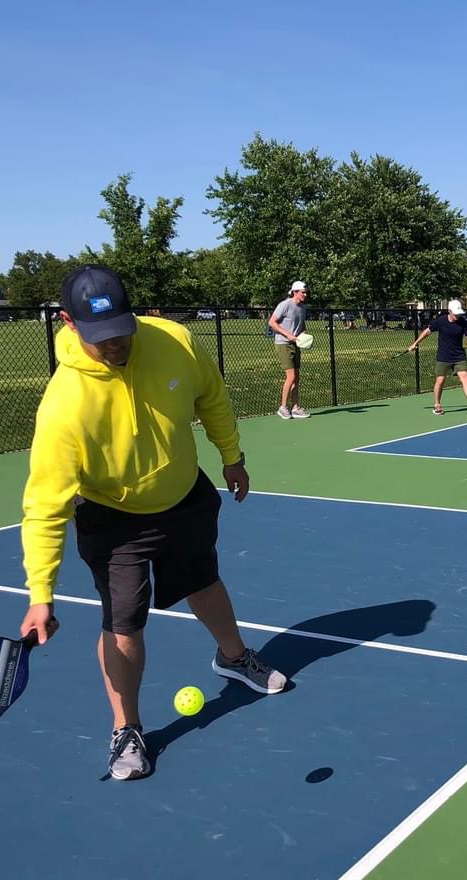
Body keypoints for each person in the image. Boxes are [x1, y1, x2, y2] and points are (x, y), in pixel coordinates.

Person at [19, 264, 287, 781]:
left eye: (121, 329)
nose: (115, 343)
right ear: (70, 325)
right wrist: (40, 592)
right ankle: (127, 728)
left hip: (185, 495)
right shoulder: (64, 408)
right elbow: (45, 507)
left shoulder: (174, 339)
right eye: (100, 337)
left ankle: (233, 658)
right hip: (114, 520)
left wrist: (231, 455)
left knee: (204, 582)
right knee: (124, 626)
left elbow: (211, 394)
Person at [407, 299, 467, 416]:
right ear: (449, 311)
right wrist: (415, 343)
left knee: (465, 377)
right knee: (440, 380)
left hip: (459, 355)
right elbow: (427, 331)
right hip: (443, 356)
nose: (457, 315)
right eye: (455, 313)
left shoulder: (463, 322)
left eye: (459, 313)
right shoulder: (440, 321)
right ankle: (437, 405)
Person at [268, 280, 310, 419]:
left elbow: (301, 325)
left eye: (305, 292)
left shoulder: (303, 307)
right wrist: (288, 335)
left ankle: (295, 408)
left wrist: (303, 336)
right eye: (302, 292)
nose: (305, 294)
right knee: (291, 376)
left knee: (296, 377)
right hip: (283, 343)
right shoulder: (284, 305)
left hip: (295, 344)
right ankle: (283, 407)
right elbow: (272, 322)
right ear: (295, 292)